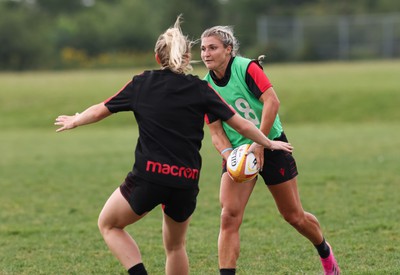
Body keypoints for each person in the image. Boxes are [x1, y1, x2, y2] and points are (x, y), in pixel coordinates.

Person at [54, 16, 293, 275]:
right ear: (188, 58)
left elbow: (102, 109)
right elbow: (240, 125)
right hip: (185, 182)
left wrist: (76, 120)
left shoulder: (141, 83)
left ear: (158, 58)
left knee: (109, 224)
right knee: (176, 246)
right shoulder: (200, 89)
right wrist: (268, 143)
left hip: (149, 177)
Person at [200, 26, 340, 275]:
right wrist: (230, 157)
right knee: (228, 216)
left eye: (213, 47)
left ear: (228, 50)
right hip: (239, 152)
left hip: (273, 144)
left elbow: (272, 101)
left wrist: (260, 144)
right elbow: (216, 132)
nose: (206, 53)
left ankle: (325, 252)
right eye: (202, 48)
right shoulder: (206, 86)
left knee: (294, 216)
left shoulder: (246, 68)